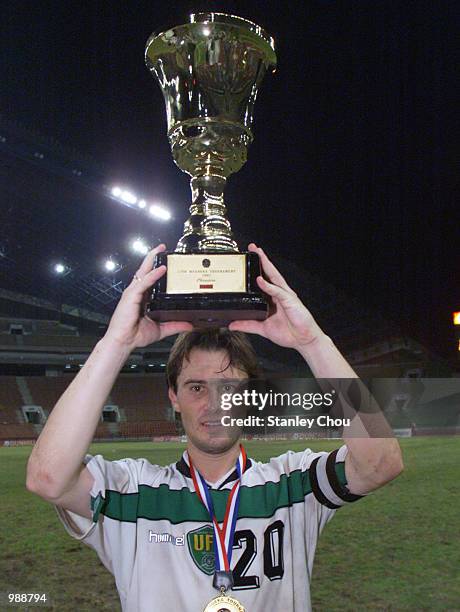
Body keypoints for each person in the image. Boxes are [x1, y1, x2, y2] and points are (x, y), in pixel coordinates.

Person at [26, 243, 404, 611]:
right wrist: (116, 342)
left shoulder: (292, 484)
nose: (214, 404)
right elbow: (47, 477)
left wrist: (312, 341)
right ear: (173, 396)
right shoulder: (133, 491)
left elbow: (380, 463)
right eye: (195, 388)